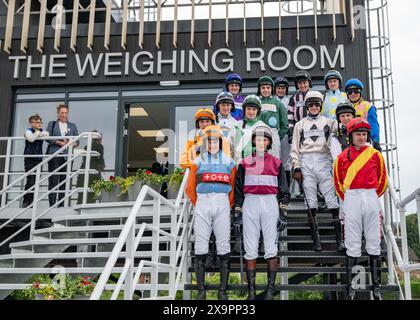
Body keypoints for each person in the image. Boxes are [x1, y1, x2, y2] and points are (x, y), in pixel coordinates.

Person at [333, 118, 388, 300]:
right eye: (358, 134)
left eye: (364, 134)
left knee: (374, 242)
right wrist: (350, 198)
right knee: (352, 244)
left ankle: (376, 288)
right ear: (350, 136)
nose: (362, 137)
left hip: (371, 197)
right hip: (351, 198)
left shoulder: (375, 155)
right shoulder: (340, 158)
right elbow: (338, 184)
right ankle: (350, 288)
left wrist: (370, 195)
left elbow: (382, 180)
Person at [234, 125, 290, 300]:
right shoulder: (244, 163)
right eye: (258, 139)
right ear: (253, 141)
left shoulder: (277, 162)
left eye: (264, 139)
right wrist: (237, 210)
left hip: (270, 202)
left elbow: (284, 190)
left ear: (268, 142)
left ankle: (270, 289)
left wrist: (283, 211)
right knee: (250, 248)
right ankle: (251, 291)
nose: (261, 142)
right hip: (250, 202)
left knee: (271, 247)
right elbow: (238, 189)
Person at [185, 125, 236, 300]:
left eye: (215, 140)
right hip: (203, 201)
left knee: (223, 245)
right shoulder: (196, 162)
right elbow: (190, 188)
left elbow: (233, 188)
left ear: (220, 142)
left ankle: (222, 291)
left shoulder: (230, 162)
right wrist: (199, 201)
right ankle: (201, 291)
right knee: (201, 245)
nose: (212, 143)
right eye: (209, 141)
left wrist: (227, 203)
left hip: (222, 202)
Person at [290, 91, 342, 252]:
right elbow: (295, 149)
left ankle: (339, 240)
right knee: (310, 201)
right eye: (310, 104)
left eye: (316, 104)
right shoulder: (299, 125)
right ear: (306, 106)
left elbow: (343, 131)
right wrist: (296, 166)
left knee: (332, 201)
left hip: (324, 160)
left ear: (321, 106)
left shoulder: (330, 122)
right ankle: (316, 241)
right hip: (306, 161)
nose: (313, 107)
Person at [229, 95, 280, 163]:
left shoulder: (264, 128)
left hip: (259, 168)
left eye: (254, 109)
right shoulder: (236, 127)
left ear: (258, 111)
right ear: (244, 110)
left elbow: (272, 151)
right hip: (239, 168)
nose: (251, 112)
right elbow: (229, 149)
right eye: (248, 109)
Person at [46, 104, 79, 207]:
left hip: (67, 157)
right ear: (58, 114)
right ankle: (52, 206)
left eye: (66, 113)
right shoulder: (52, 124)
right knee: (53, 181)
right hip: (55, 155)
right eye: (62, 113)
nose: (64, 115)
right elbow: (47, 138)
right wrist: (58, 142)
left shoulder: (72, 126)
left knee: (64, 182)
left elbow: (77, 141)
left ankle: (61, 206)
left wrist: (71, 143)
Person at [344, 78, 381, 151]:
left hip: (363, 142)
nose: (353, 94)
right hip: (347, 143)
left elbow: (373, 124)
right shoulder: (343, 107)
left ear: (360, 93)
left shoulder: (368, 106)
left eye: (356, 91)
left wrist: (375, 140)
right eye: (350, 92)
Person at [257, 76, 288, 160]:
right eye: (263, 88)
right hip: (258, 135)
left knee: (274, 160)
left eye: (268, 87)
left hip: (274, 135)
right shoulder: (256, 103)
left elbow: (285, 124)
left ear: (272, 89)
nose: (266, 90)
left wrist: (277, 136)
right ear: (259, 89)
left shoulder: (278, 104)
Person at [22, 114, 49, 207]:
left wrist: (40, 133)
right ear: (31, 123)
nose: (39, 124)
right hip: (29, 159)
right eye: (36, 122)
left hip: (38, 159)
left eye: (40, 122)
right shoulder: (28, 131)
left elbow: (47, 134)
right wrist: (38, 133)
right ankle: (26, 202)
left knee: (36, 182)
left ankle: (32, 203)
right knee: (30, 181)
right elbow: (31, 139)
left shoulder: (41, 131)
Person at [77, 130, 105, 204]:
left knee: (81, 197)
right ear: (98, 138)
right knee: (92, 196)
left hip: (83, 173)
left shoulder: (86, 146)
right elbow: (100, 159)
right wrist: (102, 166)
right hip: (93, 173)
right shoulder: (99, 146)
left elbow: (84, 158)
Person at [274, 76, 292, 185]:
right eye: (278, 88)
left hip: (286, 134)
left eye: (283, 88)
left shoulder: (290, 100)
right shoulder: (271, 100)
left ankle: (287, 190)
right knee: (274, 160)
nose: (281, 90)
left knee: (286, 162)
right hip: (274, 134)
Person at [287, 70, 312, 144]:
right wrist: (291, 129)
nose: (302, 85)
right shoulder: (294, 97)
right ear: (296, 85)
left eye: (305, 83)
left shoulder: (314, 95)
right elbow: (289, 114)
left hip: (312, 127)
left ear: (309, 83)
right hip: (298, 128)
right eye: (300, 83)